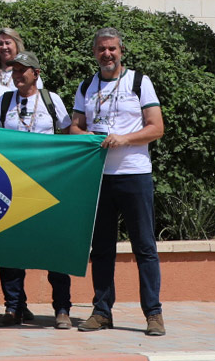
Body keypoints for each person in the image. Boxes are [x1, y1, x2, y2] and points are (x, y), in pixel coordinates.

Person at [69, 28, 166, 337]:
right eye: (101, 49)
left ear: (121, 51)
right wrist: (88, 137)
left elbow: (156, 127)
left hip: (134, 174)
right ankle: (101, 312)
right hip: (99, 177)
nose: (106, 54)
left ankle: (153, 314)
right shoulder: (87, 85)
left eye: (111, 49)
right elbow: (74, 127)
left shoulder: (140, 82)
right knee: (101, 249)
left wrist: (124, 139)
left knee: (145, 247)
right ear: (95, 53)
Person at [0, 51, 73, 329]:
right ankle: (14, 307)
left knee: (55, 248)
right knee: (11, 250)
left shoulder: (51, 100)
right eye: (14, 70)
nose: (17, 74)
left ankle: (62, 308)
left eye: (23, 70)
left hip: (48, 185)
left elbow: (70, 132)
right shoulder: (4, 102)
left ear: (36, 73)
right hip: (12, 187)